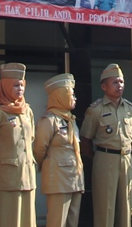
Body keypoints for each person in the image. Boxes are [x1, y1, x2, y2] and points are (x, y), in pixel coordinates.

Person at [81, 63, 132, 227]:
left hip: (126, 160)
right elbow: (85, 140)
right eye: (115, 82)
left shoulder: (129, 108)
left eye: (121, 82)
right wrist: (99, 156)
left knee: (125, 206)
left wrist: (125, 151)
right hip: (105, 159)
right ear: (104, 86)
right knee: (104, 207)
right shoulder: (96, 110)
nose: (119, 86)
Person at [0, 62, 36, 227]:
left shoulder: (27, 111)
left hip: (26, 177)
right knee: (3, 220)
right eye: (15, 85)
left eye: (21, 85)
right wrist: (2, 158)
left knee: (25, 220)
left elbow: (31, 138)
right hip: (3, 179)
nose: (20, 89)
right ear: (4, 86)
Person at [34, 73, 85, 227]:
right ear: (60, 96)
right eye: (71, 94)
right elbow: (39, 150)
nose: (75, 98)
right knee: (57, 222)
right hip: (58, 180)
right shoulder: (49, 121)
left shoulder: (70, 120)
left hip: (75, 179)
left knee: (72, 221)